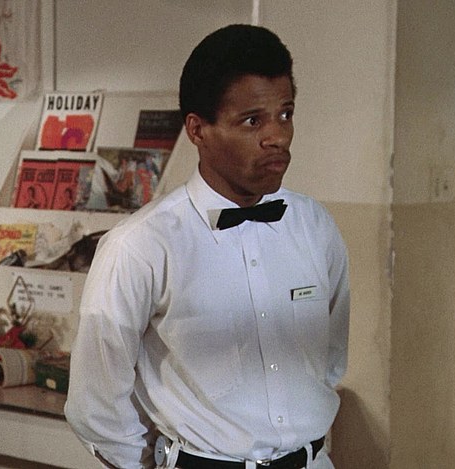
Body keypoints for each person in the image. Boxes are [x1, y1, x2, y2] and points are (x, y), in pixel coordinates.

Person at [64, 24, 350, 469]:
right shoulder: (140, 246)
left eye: (286, 114)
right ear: (198, 130)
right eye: (253, 120)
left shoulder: (315, 226)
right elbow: (95, 405)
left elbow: (329, 361)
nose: (277, 136)